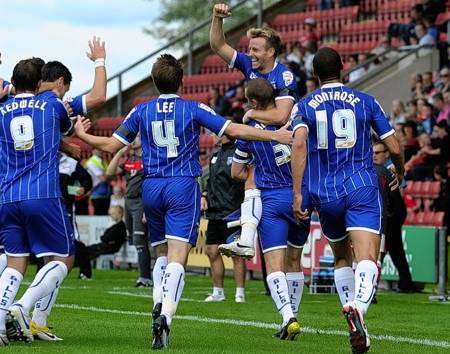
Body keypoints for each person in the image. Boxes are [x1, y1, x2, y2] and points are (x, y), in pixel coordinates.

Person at [71, 54, 292, 349]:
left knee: (161, 251)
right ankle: (165, 317)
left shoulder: (140, 110)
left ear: (154, 81)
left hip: (151, 187)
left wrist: (83, 134)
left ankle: (158, 301)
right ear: (182, 80)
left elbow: (111, 145)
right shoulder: (193, 108)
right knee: (178, 256)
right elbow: (234, 130)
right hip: (182, 185)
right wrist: (276, 134)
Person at [290, 47, 404, 353]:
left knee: (342, 256)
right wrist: (400, 170)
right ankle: (359, 308)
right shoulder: (366, 101)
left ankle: (354, 318)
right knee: (367, 257)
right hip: (361, 186)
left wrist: (298, 192)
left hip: (324, 192)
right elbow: (393, 145)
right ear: (343, 68)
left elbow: (298, 145)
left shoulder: (303, 105)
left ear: (314, 75)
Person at [211, 3, 299, 259]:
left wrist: (251, 114)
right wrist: (217, 18)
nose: (250, 53)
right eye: (249, 49)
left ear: (271, 52)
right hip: (259, 142)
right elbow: (218, 45)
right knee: (244, 173)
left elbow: (282, 115)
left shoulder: (284, 77)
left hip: (281, 144)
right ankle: (247, 236)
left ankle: (248, 235)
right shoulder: (249, 66)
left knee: (250, 175)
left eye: (256, 49)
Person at [0, 59, 77, 345]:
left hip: (7, 196)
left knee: (15, 262)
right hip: (42, 193)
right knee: (63, 256)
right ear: (38, 84)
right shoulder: (52, 105)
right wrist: (99, 61)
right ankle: (24, 306)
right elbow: (70, 126)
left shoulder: (1, 111)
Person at [231, 78, 310, 340]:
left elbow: (236, 171)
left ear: (253, 102)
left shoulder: (250, 130)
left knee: (274, 265)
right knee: (295, 261)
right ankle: (294, 314)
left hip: (272, 198)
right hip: (300, 195)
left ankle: (289, 316)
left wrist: (256, 168)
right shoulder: (294, 117)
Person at [201, 134, 246, 303]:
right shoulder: (215, 156)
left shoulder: (239, 153)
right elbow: (210, 181)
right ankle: (218, 292)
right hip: (214, 211)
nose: (213, 135)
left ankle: (240, 293)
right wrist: (204, 195)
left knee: (236, 253)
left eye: (216, 133)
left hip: (232, 211)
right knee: (212, 251)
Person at [106, 135, 153, 288]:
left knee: (140, 240)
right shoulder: (129, 160)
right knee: (135, 240)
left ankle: (145, 277)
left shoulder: (149, 159)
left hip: (141, 201)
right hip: (128, 202)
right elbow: (109, 172)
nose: (133, 139)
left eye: (137, 137)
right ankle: (147, 275)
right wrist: (119, 152)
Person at [372, 141, 416, 293]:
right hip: (385, 215)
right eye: (373, 152)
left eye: (377, 153)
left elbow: (399, 194)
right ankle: (406, 283)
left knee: (380, 252)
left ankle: (371, 286)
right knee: (395, 250)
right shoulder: (378, 171)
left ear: (386, 154)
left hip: (391, 214)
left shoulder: (393, 171)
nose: (374, 155)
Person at [85, 149, 111, 215]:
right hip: (96, 194)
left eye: (101, 149)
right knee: (98, 218)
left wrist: (108, 176)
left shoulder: (103, 161)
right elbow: (104, 178)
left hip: (105, 194)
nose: (101, 150)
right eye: (98, 148)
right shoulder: (91, 162)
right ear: (93, 151)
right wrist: (109, 176)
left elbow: (112, 177)